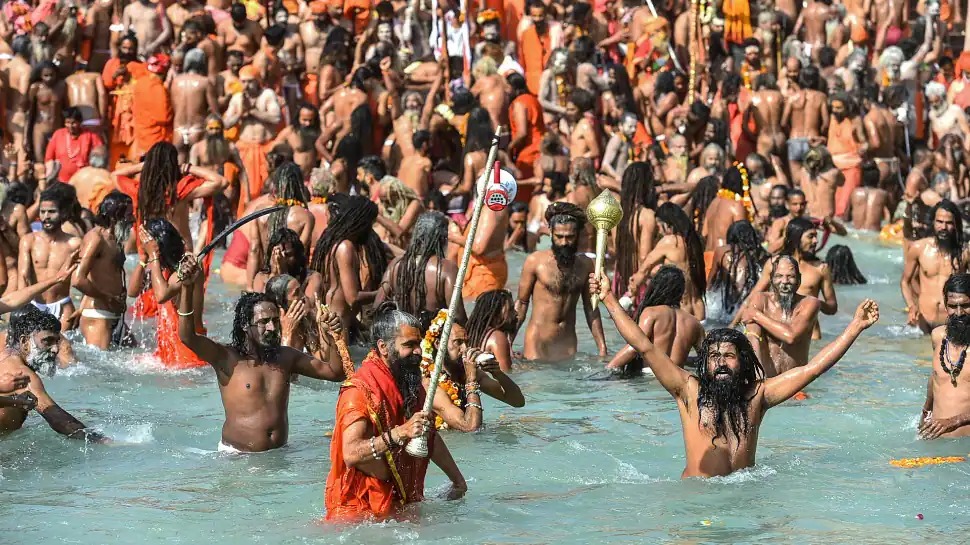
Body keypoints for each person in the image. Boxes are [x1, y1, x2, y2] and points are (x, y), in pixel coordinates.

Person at [592, 271, 879, 477]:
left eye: (728, 356)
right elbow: (644, 344)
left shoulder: (758, 395)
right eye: (714, 357)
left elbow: (813, 368)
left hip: (745, 500)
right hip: (696, 502)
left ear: (741, 362)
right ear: (704, 364)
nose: (720, 363)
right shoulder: (688, 390)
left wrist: (854, 328)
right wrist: (608, 298)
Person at [174, 250, 347, 452]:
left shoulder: (285, 357)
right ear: (246, 325)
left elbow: (336, 373)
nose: (272, 328)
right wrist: (187, 287)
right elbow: (188, 337)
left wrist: (336, 335)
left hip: (280, 455)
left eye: (275, 321)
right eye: (263, 322)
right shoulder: (227, 358)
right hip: (237, 458)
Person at [325, 305, 467, 521]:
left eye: (418, 344)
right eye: (409, 345)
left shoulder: (408, 381)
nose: (418, 351)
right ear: (383, 347)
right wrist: (400, 433)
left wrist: (457, 480)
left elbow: (427, 433)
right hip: (360, 514)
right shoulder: (359, 391)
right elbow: (351, 453)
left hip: (400, 505)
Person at [0, 305, 110, 442]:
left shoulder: (5, 354)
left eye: (57, 341)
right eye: (47, 341)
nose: (55, 349)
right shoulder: (21, 374)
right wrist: (102, 441)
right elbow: (59, 420)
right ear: (24, 342)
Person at [515, 202, 607, 361]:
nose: (564, 242)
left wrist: (602, 348)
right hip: (537, 344)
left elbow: (591, 308)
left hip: (568, 344)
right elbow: (522, 304)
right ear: (550, 232)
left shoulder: (586, 265)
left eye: (570, 237)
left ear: (578, 234)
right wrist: (508, 341)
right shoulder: (535, 261)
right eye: (559, 237)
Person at [311, 196, 388, 343]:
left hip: (340, 320)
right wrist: (382, 292)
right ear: (361, 221)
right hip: (338, 324)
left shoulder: (335, 241)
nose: (370, 229)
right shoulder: (345, 247)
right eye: (369, 223)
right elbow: (352, 298)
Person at [607, 266, 704, 376]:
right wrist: (683, 358)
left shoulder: (651, 313)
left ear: (657, 287)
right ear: (681, 291)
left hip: (649, 378)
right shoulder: (694, 322)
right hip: (679, 379)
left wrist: (610, 368)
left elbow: (635, 347)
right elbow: (705, 358)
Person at [734, 255, 822, 376]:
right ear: (771, 279)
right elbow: (752, 336)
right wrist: (758, 376)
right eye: (779, 276)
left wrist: (757, 315)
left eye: (790, 276)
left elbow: (791, 336)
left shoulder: (810, 303)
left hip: (796, 384)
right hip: (767, 380)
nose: (785, 281)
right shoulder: (760, 300)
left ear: (799, 280)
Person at [377, 211, 465, 327]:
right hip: (435, 341)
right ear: (442, 238)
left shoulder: (396, 265)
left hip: (404, 337)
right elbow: (458, 316)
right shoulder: (447, 269)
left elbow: (378, 307)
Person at [73, 192, 134, 349]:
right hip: (98, 315)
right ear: (115, 217)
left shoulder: (116, 237)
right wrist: (108, 299)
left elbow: (99, 275)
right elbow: (78, 279)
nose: (133, 219)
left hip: (114, 314)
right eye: (129, 215)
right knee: (103, 370)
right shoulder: (96, 238)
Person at [18, 187, 82, 332]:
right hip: (34, 305)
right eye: (42, 211)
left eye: (52, 212)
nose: (46, 216)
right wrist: (21, 308)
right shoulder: (29, 241)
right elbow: (23, 277)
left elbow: (88, 278)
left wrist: (82, 308)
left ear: (63, 213)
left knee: (62, 349)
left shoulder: (74, 243)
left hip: (62, 307)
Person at [630, 203, 707, 320]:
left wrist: (632, 291)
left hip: (682, 309)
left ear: (667, 224)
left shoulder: (670, 241)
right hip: (699, 309)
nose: (659, 232)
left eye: (659, 226)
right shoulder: (694, 242)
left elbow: (644, 269)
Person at [902, 200, 970, 333]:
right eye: (939, 222)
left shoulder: (965, 253)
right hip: (923, 322)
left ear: (956, 225)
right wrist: (911, 306)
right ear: (933, 222)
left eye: (949, 223)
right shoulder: (919, 248)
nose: (943, 227)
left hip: (952, 323)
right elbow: (905, 281)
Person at [919, 274, 970, 439]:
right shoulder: (938, 336)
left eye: (966, 305)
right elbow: (935, 377)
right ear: (945, 306)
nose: (959, 313)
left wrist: (954, 421)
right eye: (953, 306)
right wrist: (926, 412)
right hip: (937, 444)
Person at [708, 220, 769, 317]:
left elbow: (711, 284)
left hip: (728, 309)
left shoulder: (722, 252)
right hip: (751, 307)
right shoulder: (763, 256)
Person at [45, 107, 105, 183]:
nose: (70, 126)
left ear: (80, 122)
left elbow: (100, 156)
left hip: (84, 181)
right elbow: (49, 158)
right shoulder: (58, 134)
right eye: (67, 122)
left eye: (73, 123)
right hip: (61, 182)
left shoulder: (90, 135)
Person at [131, 54, 174, 159]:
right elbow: (163, 117)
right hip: (155, 138)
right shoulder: (157, 87)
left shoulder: (140, 82)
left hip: (141, 135)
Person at [466, 289, 519, 372]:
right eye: (511, 310)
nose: (516, 313)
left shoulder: (475, 333)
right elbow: (507, 376)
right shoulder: (497, 338)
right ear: (496, 315)